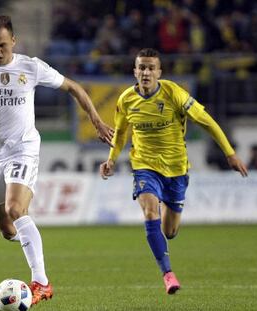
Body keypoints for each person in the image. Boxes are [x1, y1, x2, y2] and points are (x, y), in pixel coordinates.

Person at [0, 15, 114, 305]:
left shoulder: (31, 66)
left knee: (15, 207)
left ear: (14, 40)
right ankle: (29, 238)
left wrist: (97, 121)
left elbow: (74, 87)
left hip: (23, 148)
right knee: (6, 228)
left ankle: (41, 282)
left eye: (1, 45)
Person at [99, 48, 248, 295]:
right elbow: (122, 132)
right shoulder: (126, 99)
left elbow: (206, 121)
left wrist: (229, 153)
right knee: (149, 212)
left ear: (159, 72)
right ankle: (168, 274)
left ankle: (169, 228)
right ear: (135, 71)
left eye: (150, 68)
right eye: (141, 67)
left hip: (177, 169)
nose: (146, 72)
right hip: (144, 166)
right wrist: (112, 159)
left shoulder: (174, 93)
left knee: (169, 231)